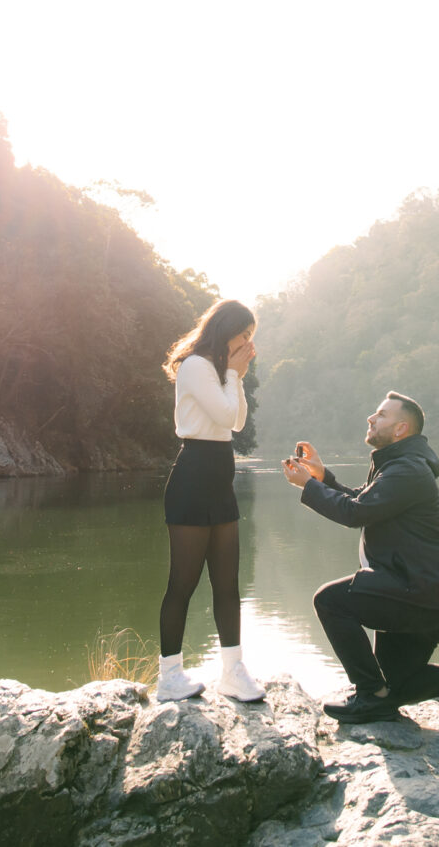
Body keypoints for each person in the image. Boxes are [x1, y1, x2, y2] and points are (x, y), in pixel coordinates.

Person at [280, 392, 439, 724]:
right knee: (397, 685)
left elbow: (355, 513)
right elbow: (363, 502)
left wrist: (309, 487)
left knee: (329, 601)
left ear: (401, 429)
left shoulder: (407, 470)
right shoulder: (399, 464)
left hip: (416, 593)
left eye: (381, 415)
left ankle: (371, 695)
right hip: (419, 593)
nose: (371, 418)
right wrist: (322, 477)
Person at [154, 298, 265, 703]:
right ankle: (169, 676)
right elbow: (222, 416)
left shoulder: (221, 371)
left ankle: (233, 672)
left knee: (227, 584)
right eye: (244, 334)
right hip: (193, 478)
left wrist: (236, 376)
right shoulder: (196, 366)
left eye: (251, 336)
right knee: (182, 584)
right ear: (226, 329)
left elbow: (237, 422)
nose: (247, 343)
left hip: (220, 481)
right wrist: (233, 374)